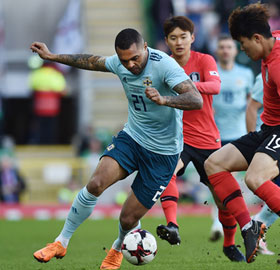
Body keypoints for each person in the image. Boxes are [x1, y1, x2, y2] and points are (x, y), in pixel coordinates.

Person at [30, 28, 203, 270]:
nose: (131, 65)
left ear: (145, 48)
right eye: (124, 60)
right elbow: (90, 61)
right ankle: (61, 241)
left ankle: (117, 248)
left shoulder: (164, 65)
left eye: (135, 58)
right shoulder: (119, 63)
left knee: (128, 218)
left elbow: (196, 99)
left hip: (163, 154)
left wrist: (165, 100)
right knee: (95, 183)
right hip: (132, 138)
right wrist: (52, 57)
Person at [204, 3, 280, 263]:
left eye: (244, 44)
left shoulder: (279, 62)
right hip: (269, 129)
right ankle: (249, 227)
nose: (244, 51)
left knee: (255, 178)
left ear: (257, 38)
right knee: (213, 164)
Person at [155, 16, 245, 262]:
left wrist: (186, 86)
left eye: (183, 37)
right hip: (178, 138)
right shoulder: (164, 64)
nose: (179, 42)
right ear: (167, 41)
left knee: (221, 200)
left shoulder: (204, 60)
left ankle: (229, 244)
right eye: (173, 38)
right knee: (167, 173)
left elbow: (215, 86)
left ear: (192, 38)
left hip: (207, 139)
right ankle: (172, 225)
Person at [246, 73, 280, 255]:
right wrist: (252, 142)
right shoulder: (272, 74)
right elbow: (252, 108)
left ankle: (258, 225)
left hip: (279, 140)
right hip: (267, 141)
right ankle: (256, 228)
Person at [209, 34, 253, 242]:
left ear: (235, 51)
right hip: (215, 136)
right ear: (217, 50)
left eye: (229, 47)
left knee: (238, 182)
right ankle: (223, 222)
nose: (225, 50)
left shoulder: (245, 74)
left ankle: (241, 222)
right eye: (222, 47)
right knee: (218, 184)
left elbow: (252, 103)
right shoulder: (211, 72)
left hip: (239, 135)